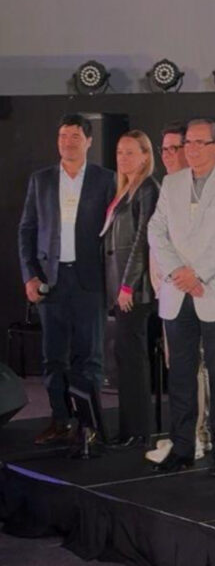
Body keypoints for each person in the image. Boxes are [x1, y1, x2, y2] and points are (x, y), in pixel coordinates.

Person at [148, 119, 215, 476]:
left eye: (198, 142)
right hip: (177, 292)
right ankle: (182, 447)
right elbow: (156, 230)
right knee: (180, 375)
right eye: (187, 142)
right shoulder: (172, 182)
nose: (190, 149)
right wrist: (179, 272)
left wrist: (198, 273)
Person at [18, 113, 115, 444]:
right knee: (53, 357)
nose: (68, 142)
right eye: (63, 136)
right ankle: (60, 420)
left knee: (90, 358)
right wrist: (30, 276)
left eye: (75, 136)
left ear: (89, 141)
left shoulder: (106, 180)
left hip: (90, 280)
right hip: (51, 281)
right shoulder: (42, 180)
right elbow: (27, 230)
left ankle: (89, 425)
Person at [147, 122, 213, 464]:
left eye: (178, 147)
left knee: (198, 366)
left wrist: (185, 275)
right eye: (166, 149)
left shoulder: (205, 190)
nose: (170, 154)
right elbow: (156, 234)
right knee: (179, 368)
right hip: (170, 292)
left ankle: (199, 435)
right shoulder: (169, 188)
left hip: (198, 290)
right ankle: (183, 435)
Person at [101, 131, 159, 448]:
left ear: (145, 156)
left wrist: (127, 285)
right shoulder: (126, 188)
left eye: (130, 152)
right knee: (125, 358)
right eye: (119, 152)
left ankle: (137, 431)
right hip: (120, 288)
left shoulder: (147, 188)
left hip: (134, 292)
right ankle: (129, 429)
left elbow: (142, 241)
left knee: (133, 359)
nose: (123, 158)